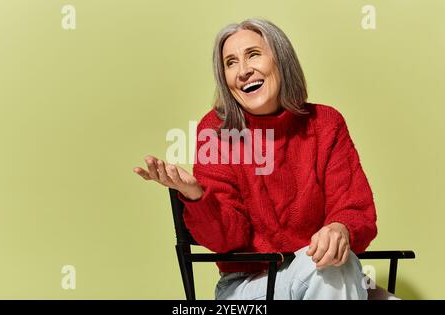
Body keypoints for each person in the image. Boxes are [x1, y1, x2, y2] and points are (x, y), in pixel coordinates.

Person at [133, 18, 377, 300]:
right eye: (231, 63)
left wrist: (340, 228)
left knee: (336, 269)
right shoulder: (216, 132)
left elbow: (356, 210)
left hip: (325, 276)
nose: (244, 71)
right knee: (329, 269)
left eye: (253, 55)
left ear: (281, 60)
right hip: (249, 286)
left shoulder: (326, 124)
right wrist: (197, 196)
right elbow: (226, 240)